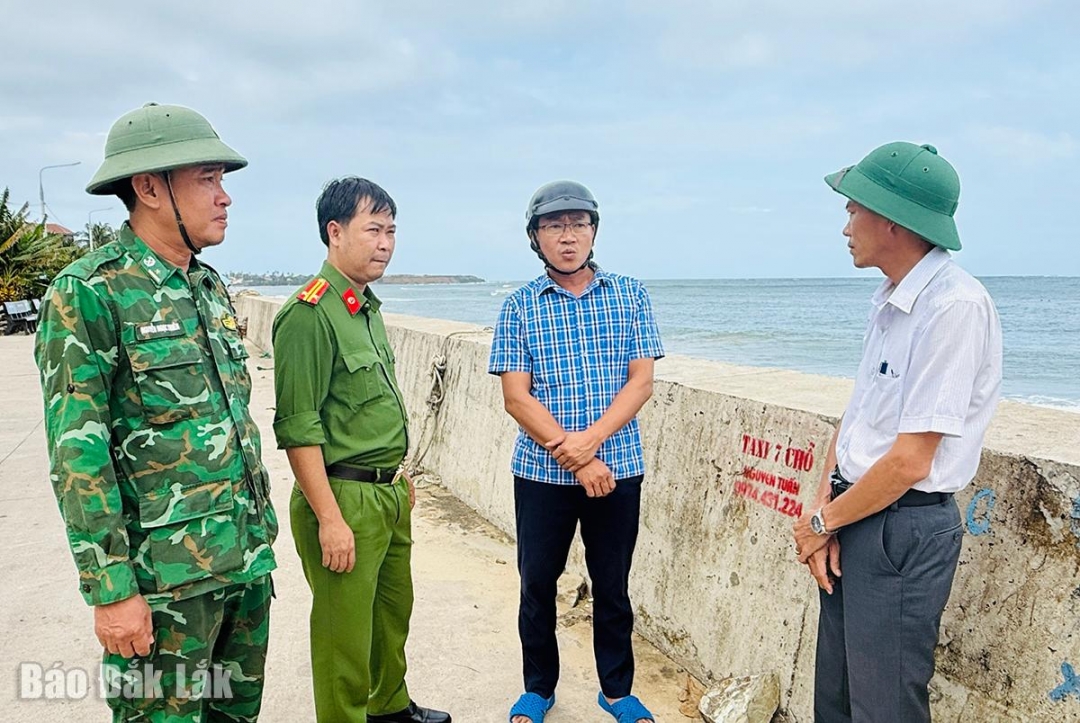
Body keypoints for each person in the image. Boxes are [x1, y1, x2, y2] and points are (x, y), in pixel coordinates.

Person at [35, 102, 278, 720]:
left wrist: (258, 550)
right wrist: (111, 588)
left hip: (243, 566)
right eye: (207, 179)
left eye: (222, 180)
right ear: (148, 187)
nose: (225, 196)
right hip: (163, 585)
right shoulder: (89, 292)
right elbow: (76, 453)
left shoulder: (208, 286)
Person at [792, 142, 1003, 722]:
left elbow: (911, 460)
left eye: (854, 209)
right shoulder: (890, 300)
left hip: (901, 527)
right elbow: (861, 413)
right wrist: (828, 500)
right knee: (835, 698)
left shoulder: (953, 307)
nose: (846, 226)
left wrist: (820, 523)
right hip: (857, 510)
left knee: (884, 706)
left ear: (892, 220)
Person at [272, 177, 450, 723]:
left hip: (387, 493)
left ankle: (390, 708)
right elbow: (299, 428)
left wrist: (397, 475)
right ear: (335, 232)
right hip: (342, 498)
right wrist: (329, 518)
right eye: (373, 229)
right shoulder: (309, 314)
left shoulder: (364, 309)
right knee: (342, 637)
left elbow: (369, 407)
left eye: (391, 231)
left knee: (391, 615)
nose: (386, 243)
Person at [488, 180, 663, 723]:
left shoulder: (631, 294)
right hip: (542, 474)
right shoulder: (519, 306)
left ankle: (616, 689)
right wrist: (579, 456)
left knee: (613, 584)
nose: (568, 236)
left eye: (578, 224)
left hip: (620, 469)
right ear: (535, 237)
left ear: (594, 230)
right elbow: (516, 395)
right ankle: (538, 688)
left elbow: (641, 382)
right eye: (554, 226)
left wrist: (593, 443)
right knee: (537, 582)